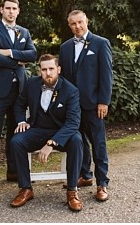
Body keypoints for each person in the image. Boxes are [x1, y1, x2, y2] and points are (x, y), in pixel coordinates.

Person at [9, 54, 85, 211]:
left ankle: (72, 191)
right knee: (16, 141)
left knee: (77, 140)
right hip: (37, 129)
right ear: (39, 71)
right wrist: (21, 121)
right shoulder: (31, 84)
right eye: (44, 69)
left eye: (51, 69)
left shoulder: (71, 90)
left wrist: (51, 143)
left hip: (62, 131)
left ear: (58, 69)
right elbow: (19, 105)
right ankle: (26, 188)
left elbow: (73, 123)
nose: (48, 73)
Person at [0, 0, 37, 196]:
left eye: (14, 8)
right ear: (1, 10)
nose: (11, 11)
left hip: (20, 91)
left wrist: (10, 53)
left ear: (18, 11)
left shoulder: (24, 32)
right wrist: (18, 60)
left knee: (18, 133)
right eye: (8, 8)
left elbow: (33, 55)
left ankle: (13, 171)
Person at [59, 10, 113, 202]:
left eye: (80, 22)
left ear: (87, 21)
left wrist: (103, 101)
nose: (77, 26)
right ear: (69, 26)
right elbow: (63, 78)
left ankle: (102, 183)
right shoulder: (65, 47)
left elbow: (106, 75)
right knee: (78, 141)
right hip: (73, 106)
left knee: (98, 143)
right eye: (73, 24)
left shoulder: (100, 43)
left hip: (93, 104)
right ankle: (85, 175)